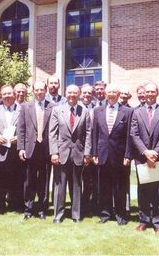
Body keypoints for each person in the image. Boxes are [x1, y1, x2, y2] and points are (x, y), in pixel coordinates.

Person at [130, 82, 159, 233]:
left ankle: (158, 222)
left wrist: (154, 152)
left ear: (157, 93)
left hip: (158, 157)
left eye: (152, 92)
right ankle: (144, 220)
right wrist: (145, 152)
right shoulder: (137, 112)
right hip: (142, 158)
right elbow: (134, 134)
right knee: (143, 190)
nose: (149, 94)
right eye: (146, 92)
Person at [49, 84, 92, 223]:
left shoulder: (84, 111)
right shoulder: (57, 110)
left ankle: (76, 215)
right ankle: (58, 214)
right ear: (65, 93)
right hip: (61, 153)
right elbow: (52, 134)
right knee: (59, 185)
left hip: (78, 154)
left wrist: (87, 154)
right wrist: (54, 152)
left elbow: (88, 134)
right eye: (69, 92)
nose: (72, 95)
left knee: (77, 186)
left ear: (79, 94)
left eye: (75, 92)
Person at [91, 84, 133, 225]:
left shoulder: (127, 112)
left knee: (120, 187)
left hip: (120, 156)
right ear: (105, 93)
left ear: (119, 93)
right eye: (109, 92)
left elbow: (129, 136)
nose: (111, 94)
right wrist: (94, 153)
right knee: (104, 186)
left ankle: (121, 215)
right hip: (102, 155)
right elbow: (95, 133)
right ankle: (105, 214)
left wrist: (128, 155)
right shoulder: (98, 111)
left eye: (114, 92)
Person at [17, 81, 55, 220]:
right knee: (29, 180)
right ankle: (28, 209)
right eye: (36, 89)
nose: (39, 92)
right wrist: (21, 148)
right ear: (33, 91)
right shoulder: (25, 107)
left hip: (46, 149)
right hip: (30, 148)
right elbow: (21, 129)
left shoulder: (53, 107)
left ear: (45, 90)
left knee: (44, 181)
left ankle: (42, 209)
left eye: (41, 89)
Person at [0, 85, 22, 213]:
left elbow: (29, 127)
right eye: (4, 94)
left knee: (16, 179)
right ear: (1, 96)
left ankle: (15, 205)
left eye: (9, 93)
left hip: (16, 151)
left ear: (14, 95)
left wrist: (19, 137)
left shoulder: (22, 109)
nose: (7, 96)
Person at [80, 83, 98, 216]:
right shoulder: (76, 108)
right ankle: (80, 206)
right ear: (81, 94)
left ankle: (91, 207)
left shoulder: (97, 108)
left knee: (91, 180)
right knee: (79, 180)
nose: (87, 95)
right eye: (84, 92)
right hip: (78, 149)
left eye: (89, 93)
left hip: (93, 149)